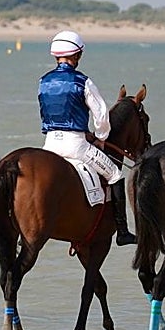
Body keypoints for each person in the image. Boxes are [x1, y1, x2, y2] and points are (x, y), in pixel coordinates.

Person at [38, 30, 135, 246]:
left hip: (49, 144)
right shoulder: (83, 81)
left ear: (56, 56)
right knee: (116, 175)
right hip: (76, 145)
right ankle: (123, 232)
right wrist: (100, 137)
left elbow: (45, 112)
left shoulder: (43, 81)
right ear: (77, 55)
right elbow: (100, 114)